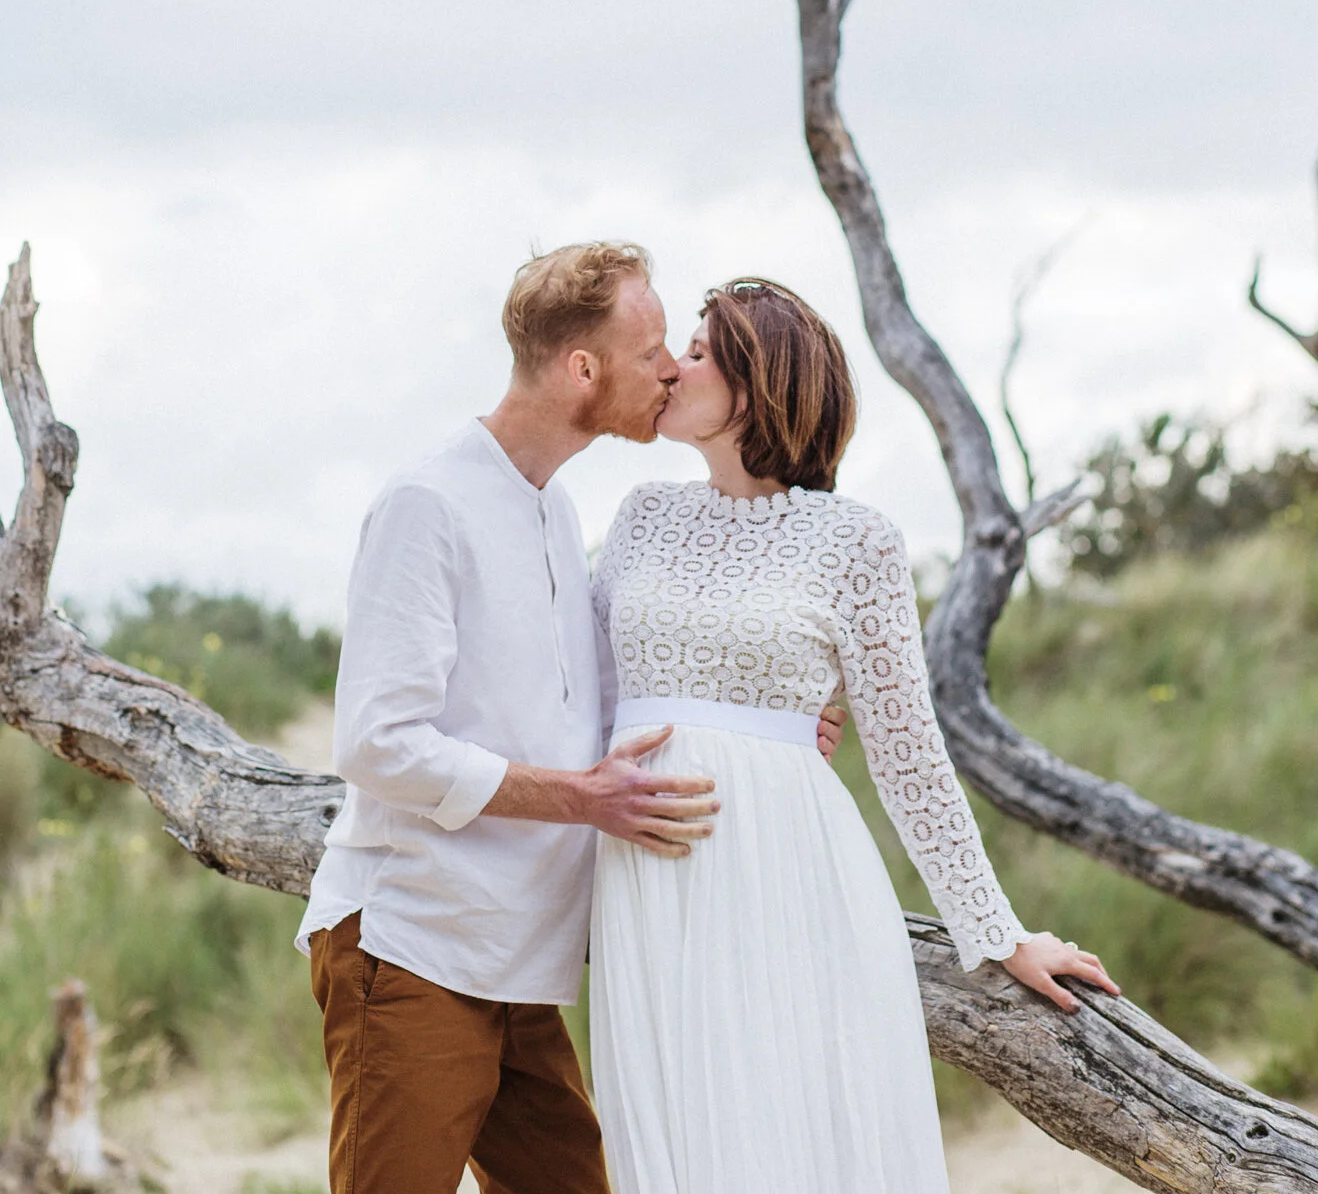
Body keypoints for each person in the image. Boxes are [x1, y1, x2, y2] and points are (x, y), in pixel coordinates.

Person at [296, 242, 842, 1194]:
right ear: (581, 368)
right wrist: (582, 799)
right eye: (652, 350)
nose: (670, 368)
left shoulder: (553, 510)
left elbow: (586, 714)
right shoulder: (428, 503)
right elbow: (377, 743)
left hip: (521, 967)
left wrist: (762, 721)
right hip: (413, 948)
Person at [590, 276, 1119, 1194]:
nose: (672, 368)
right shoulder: (641, 515)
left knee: (789, 1121)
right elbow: (585, 686)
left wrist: (997, 935)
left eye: (700, 352)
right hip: (644, 868)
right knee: (672, 1127)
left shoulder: (855, 542)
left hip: (785, 870)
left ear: (758, 384)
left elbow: (910, 755)